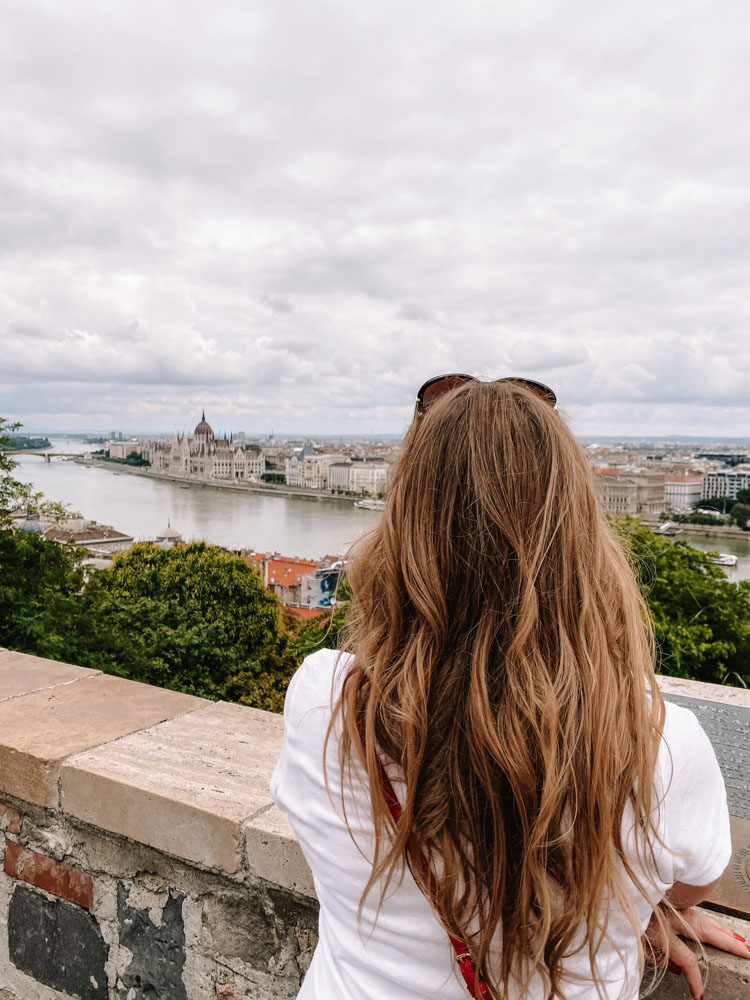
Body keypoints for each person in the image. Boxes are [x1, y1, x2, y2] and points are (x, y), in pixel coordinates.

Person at [271, 375, 749, 1000]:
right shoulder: (660, 742)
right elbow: (687, 884)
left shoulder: (323, 702)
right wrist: (634, 905)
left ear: (406, 525)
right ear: (579, 533)